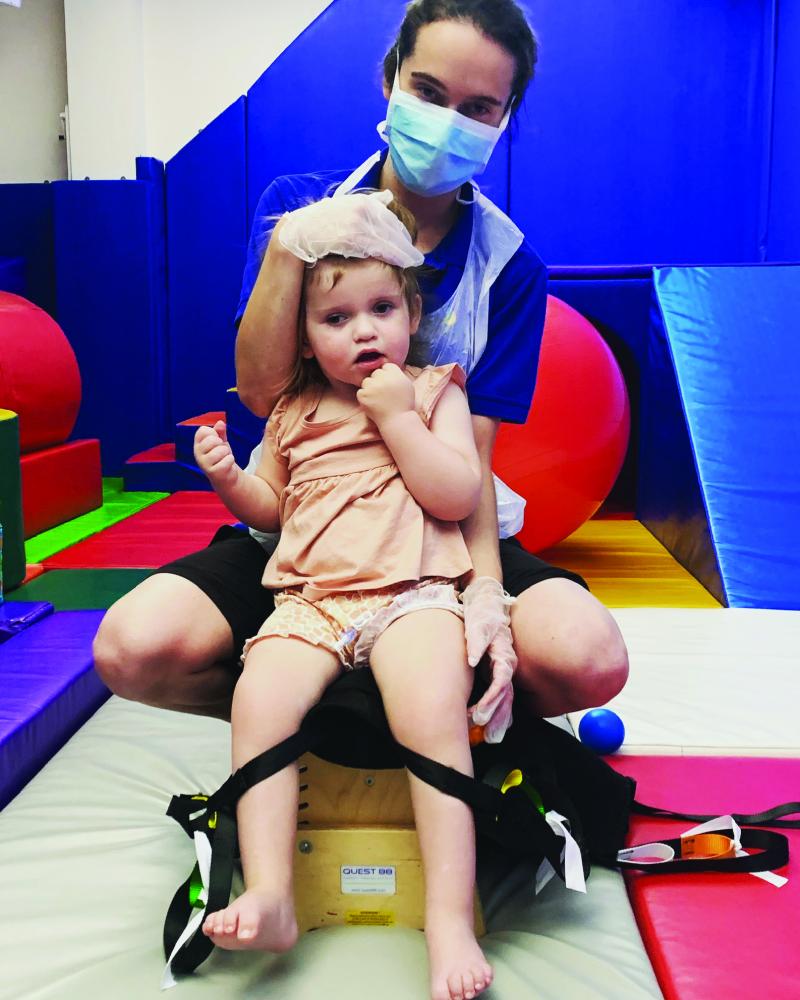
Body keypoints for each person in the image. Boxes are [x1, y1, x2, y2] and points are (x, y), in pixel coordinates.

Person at [94, 0, 627, 735]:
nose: (447, 122)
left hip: (440, 542)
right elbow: (258, 390)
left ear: (505, 119)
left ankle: (441, 711)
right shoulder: (299, 209)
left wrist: (486, 595)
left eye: (477, 108)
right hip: (306, 535)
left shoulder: (508, 265)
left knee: (589, 658)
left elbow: (472, 452)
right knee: (132, 648)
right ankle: (333, 725)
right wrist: (289, 248)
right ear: (390, 82)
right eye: (430, 93)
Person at [196, 190, 494, 1000]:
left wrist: (398, 419)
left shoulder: (435, 390)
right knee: (259, 701)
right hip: (311, 603)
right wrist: (229, 479)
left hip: (413, 593)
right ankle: (270, 892)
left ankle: (450, 917)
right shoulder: (291, 412)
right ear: (304, 337)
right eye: (337, 319)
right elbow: (272, 505)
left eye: (382, 308)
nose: (365, 329)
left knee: (433, 716)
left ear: (412, 308)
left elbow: (458, 495)